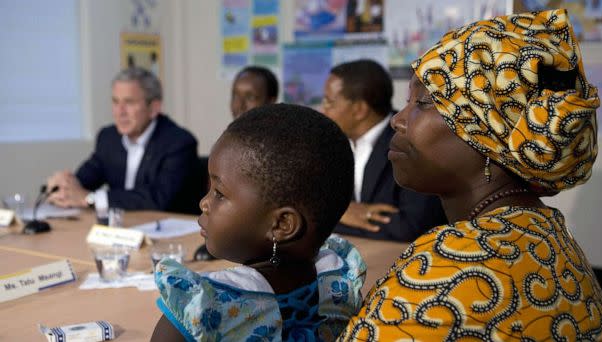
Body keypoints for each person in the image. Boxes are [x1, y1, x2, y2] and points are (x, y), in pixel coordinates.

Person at [339, 9, 602, 340]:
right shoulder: (549, 233)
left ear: (486, 134)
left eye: (423, 102)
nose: (398, 119)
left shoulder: (446, 269)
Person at [151, 104, 366, 341]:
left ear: (282, 225)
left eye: (219, 193)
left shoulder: (200, 311)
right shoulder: (339, 282)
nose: (204, 202)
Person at [321, 59, 447, 242]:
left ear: (359, 109)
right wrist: (339, 213)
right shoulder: (332, 146)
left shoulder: (412, 144)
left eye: (329, 102)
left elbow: (410, 227)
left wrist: (330, 216)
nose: (322, 110)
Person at [47, 67, 200, 214]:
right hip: (122, 228)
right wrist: (62, 187)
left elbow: (157, 199)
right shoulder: (108, 137)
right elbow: (83, 181)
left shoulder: (179, 142)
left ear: (154, 108)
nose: (120, 112)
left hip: (170, 233)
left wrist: (90, 199)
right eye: (115, 101)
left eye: (129, 102)